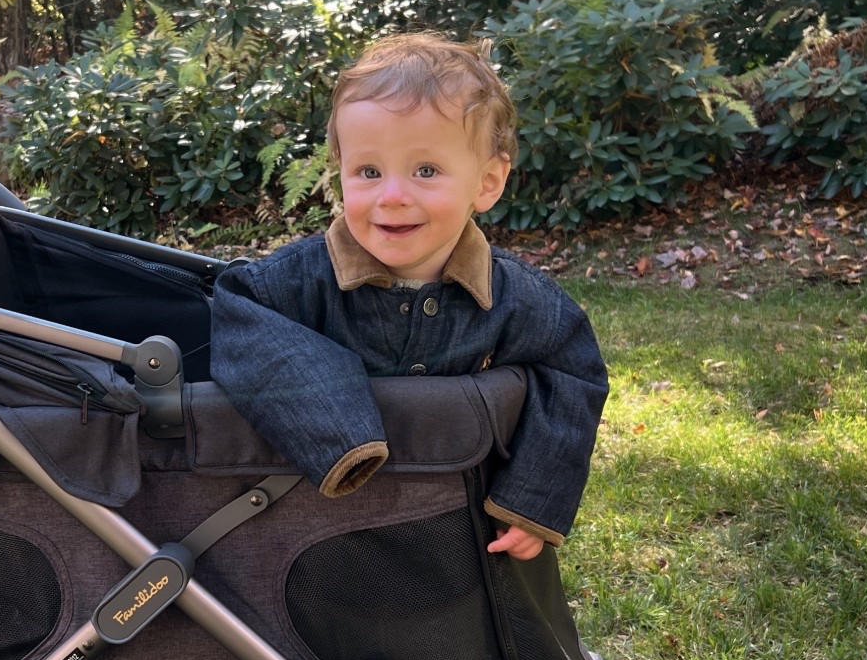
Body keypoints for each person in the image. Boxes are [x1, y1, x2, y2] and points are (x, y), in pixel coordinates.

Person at [210, 33, 608, 557]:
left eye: (425, 171)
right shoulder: (291, 284)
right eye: (368, 172)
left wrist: (533, 502)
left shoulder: (518, 299)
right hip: (316, 537)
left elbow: (574, 372)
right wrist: (336, 428)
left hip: (455, 541)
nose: (392, 196)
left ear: (487, 183)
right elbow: (234, 316)